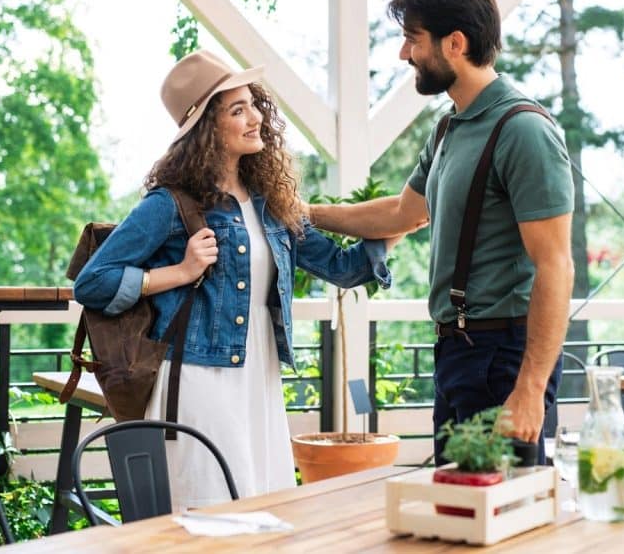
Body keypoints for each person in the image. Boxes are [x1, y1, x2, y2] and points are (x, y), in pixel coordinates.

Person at [73, 50, 391, 507]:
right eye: (238, 110)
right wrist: (180, 272)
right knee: (212, 510)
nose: (256, 117)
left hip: (260, 377)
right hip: (200, 379)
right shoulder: (170, 203)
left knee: (263, 508)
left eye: (253, 104)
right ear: (206, 128)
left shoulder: (271, 205)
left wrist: (407, 218)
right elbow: (92, 283)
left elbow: (345, 269)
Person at [308, 0, 574, 463]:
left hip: (504, 356)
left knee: (502, 505)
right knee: (456, 502)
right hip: (457, 352)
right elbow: (403, 213)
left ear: (455, 43)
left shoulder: (524, 130)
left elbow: (556, 265)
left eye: (413, 39)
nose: (404, 54)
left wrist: (531, 387)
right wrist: (306, 214)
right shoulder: (449, 127)